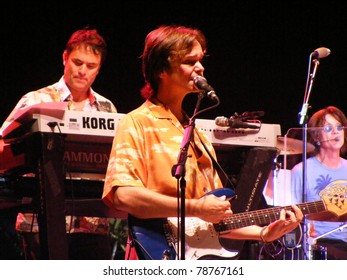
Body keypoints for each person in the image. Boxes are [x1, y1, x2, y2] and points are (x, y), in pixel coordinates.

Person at [102, 24, 303, 260]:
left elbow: (214, 218)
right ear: (162, 70)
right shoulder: (137, 122)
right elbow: (123, 196)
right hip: (154, 253)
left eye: (200, 60)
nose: (200, 67)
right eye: (190, 61)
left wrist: (263, 233)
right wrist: (196, 208)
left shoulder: (198, 135)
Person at [0, 27, 117, 259]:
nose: (83, 71)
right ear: (65, 58)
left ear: (99, 69)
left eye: (91, 66)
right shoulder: (36, 100)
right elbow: (3, 146)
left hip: (92, 225)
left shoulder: (108, 109)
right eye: (77, 62)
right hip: (39, 220)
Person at [291, 105, 347, 260]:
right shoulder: (301, 170)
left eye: (339, 127)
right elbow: (292, 214)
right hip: (319, 243)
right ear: (315, 136)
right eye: (328, 128)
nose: (336, 132)